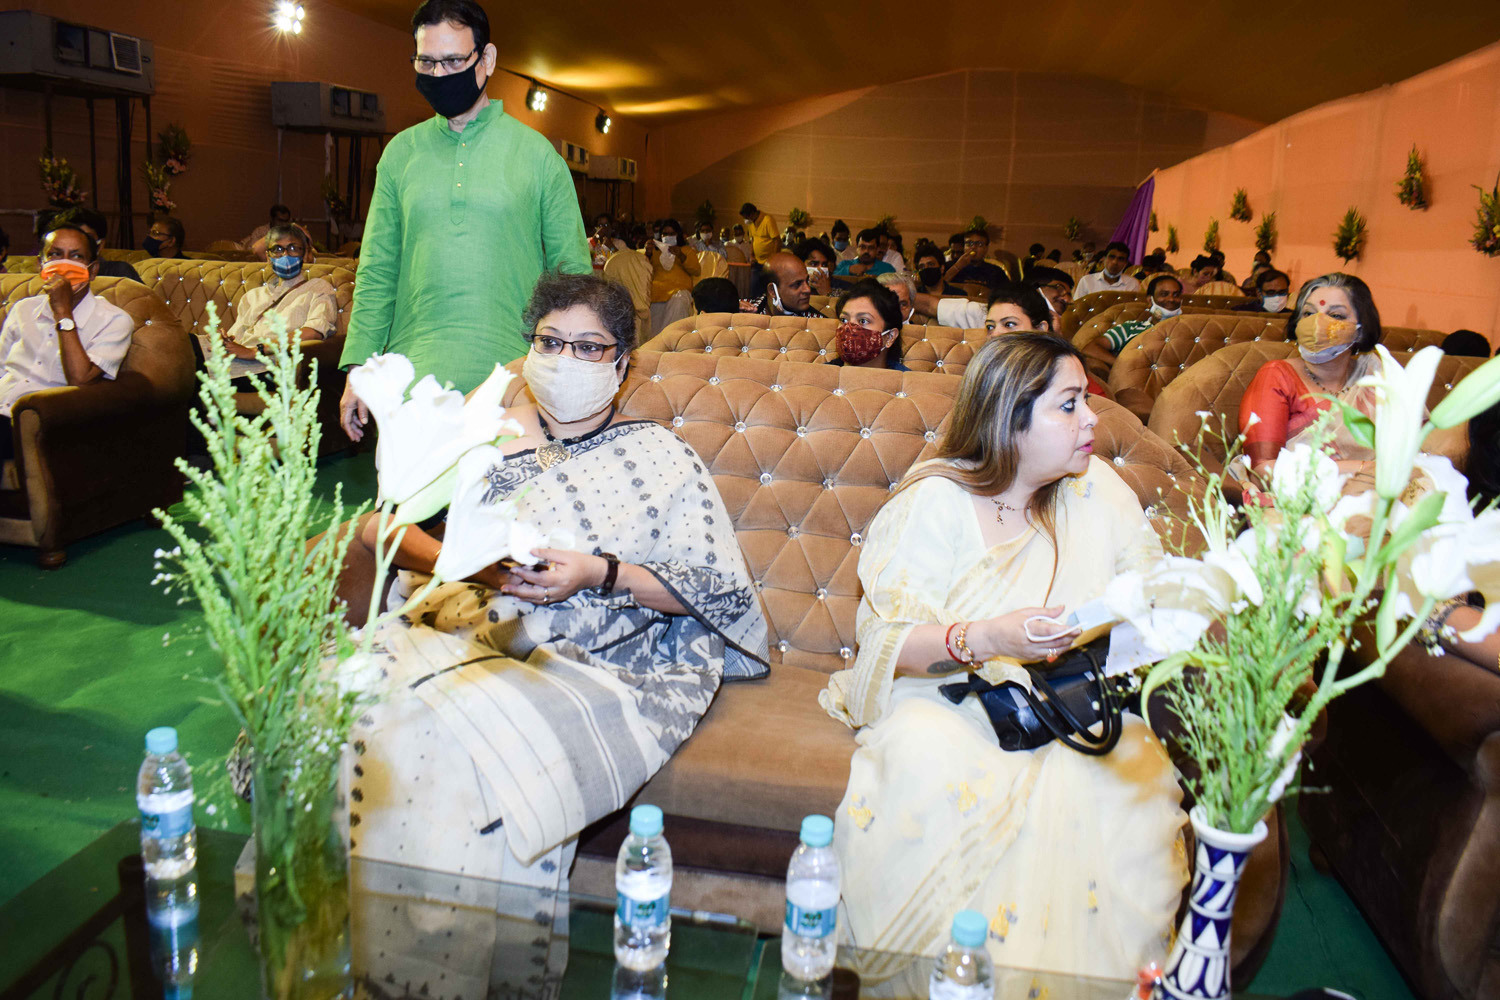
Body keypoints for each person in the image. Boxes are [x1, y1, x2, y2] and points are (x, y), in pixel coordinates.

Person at [337, 271, 768, 989]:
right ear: (529, 348)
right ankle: (343, 951)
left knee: (449, 741)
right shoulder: (483, 436)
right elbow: (388, 529)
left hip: (588, 653)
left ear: (623, 364)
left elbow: (719, 590)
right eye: (551, 341)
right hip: (459, 620)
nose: (567, 359)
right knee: (348, 702)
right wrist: (468, 561)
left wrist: (599, 571)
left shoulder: (661, 456)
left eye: (590, 347)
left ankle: (439, 971)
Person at [821, 332, 1186, 976]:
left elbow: (1152, 597)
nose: (1091, 419)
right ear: (1010, 419)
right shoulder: (937, 500)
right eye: (1068, 405)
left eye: (1087, 400)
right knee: (927, 757)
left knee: (1126, 783)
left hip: (1073, 704)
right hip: (950, 698)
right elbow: (889, 644)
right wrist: (989, 638)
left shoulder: (1099, 491)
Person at [339, 0, 591, 441]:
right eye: (427, 62)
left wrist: (567, 374)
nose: (439, 75)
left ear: (486, 59)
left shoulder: (538, 156)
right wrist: (360, 367)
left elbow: (572, 276)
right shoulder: (400, 154)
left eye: (454, 61)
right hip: (411, 388)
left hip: (515, 386)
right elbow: (377, 269)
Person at [0, 224, 133, 464]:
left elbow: (81, 380)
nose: (64, 264)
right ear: (40, 265)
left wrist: (63, 312)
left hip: (44, 422)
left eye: (76, 256)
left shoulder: (114, 320)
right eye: (55, 254)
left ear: (93, 270)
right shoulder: (23, 309)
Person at [217, 223, 338, 389]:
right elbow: (236, 337)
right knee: (191, 347)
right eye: (277, 249)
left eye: (293, 248)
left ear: (304, 254)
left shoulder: (318, 287)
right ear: (268, 257)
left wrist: (256, 351)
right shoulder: (252, 296)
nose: (285, 255)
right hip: (239, 364)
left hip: (271, 366)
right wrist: (223, 340)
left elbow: (314, 332)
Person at [829, 279, 907, 370]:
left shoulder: (906, 378)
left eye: (863, 321)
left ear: (890, 336)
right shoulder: (821, 374)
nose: (849, 328)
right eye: (844, 320)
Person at [49, 206, 142, 282]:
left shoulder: (119, 272)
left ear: (100, 245)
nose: (77, 244)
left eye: (87, 238)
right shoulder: (50, 273)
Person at [1099, 274, 1183, 354]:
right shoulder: (1130, 329)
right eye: (1164, 294)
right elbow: (1094, 346)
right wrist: (1121, 363)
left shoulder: (1188, 329)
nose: (1171, 299)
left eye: (1176, 295)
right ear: (1150, 300)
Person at [645, 217, 701, 331]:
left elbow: (696, 270)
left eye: (672, 234)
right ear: (660, 235)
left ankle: (672, 337)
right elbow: (644, 270)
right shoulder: (655, 252)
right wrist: (648, 254)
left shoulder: (686, 250)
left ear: (678, 235)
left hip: (679, 291)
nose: (668, 236)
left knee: (679, 301)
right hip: (657, 293)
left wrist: (681, 256)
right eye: (665, 234)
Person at [759, 251, 823, 319]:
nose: (808, 289)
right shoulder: (751, 314)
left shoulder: (817, 321)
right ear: (772, 290)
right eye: (797, 284)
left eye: (807, 281)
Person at [944, 229, 1008, 288]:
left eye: (979, 244)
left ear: (986, 248)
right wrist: (957, 267)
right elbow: (940, 286)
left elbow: (1007, 292)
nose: (973, 247)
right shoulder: (948, 266)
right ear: (964, 247)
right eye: (969, 243)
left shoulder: (996, 272)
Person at [1072, 242, 1140, 298]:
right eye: (1112, 257)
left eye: (1120, 259)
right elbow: (1077, 307)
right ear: (1104, 259)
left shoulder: (1132, 284)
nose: (1115, 262)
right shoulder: (1087, 281)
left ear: (1125, 263)